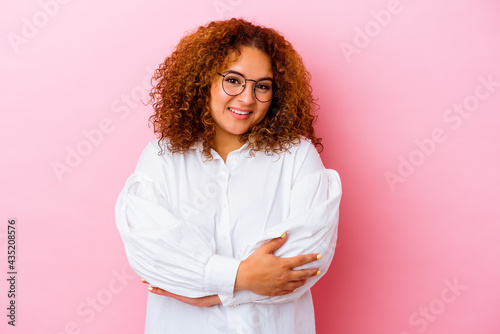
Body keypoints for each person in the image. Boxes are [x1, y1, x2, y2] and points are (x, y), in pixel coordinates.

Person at [115, 18, 341, 334]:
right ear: (202, 80)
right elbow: (151, 255)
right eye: (233, 80)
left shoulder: (297, 157)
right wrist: (244, 278)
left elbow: (303, 264)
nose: (248, 98)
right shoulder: (162, 159)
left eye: (262, 86)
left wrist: (208, 292)